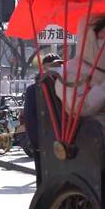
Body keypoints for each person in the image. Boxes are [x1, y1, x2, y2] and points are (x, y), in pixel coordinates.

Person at [24, 53, 63, 186]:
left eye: (59, 66)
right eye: (52, 66)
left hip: (62, 141)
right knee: (43, 180)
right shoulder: (33, 90)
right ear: (44, 68)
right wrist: (37, 143)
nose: (56, 68)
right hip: (43, 141)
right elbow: (30, 119)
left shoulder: (65, 88)